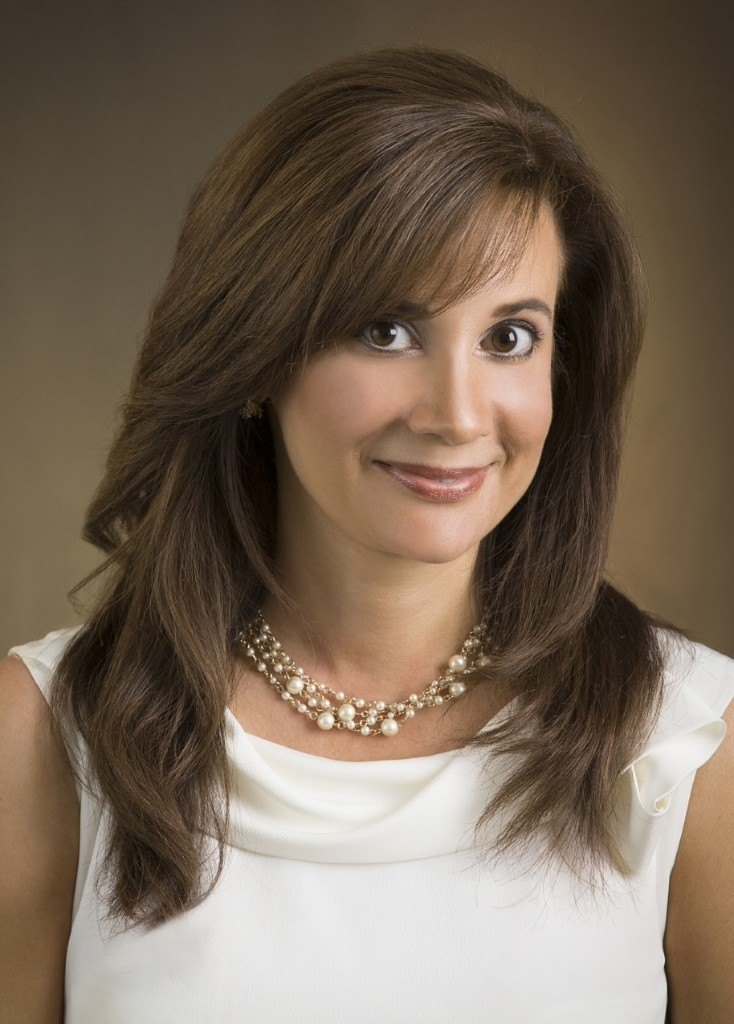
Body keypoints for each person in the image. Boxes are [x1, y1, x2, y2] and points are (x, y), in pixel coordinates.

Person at [2, 45, 732, 1024]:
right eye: (386, 329)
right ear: (256, 354)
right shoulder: (43, 740)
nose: (457, 415)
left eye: (508, 337)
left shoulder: (687, 745)